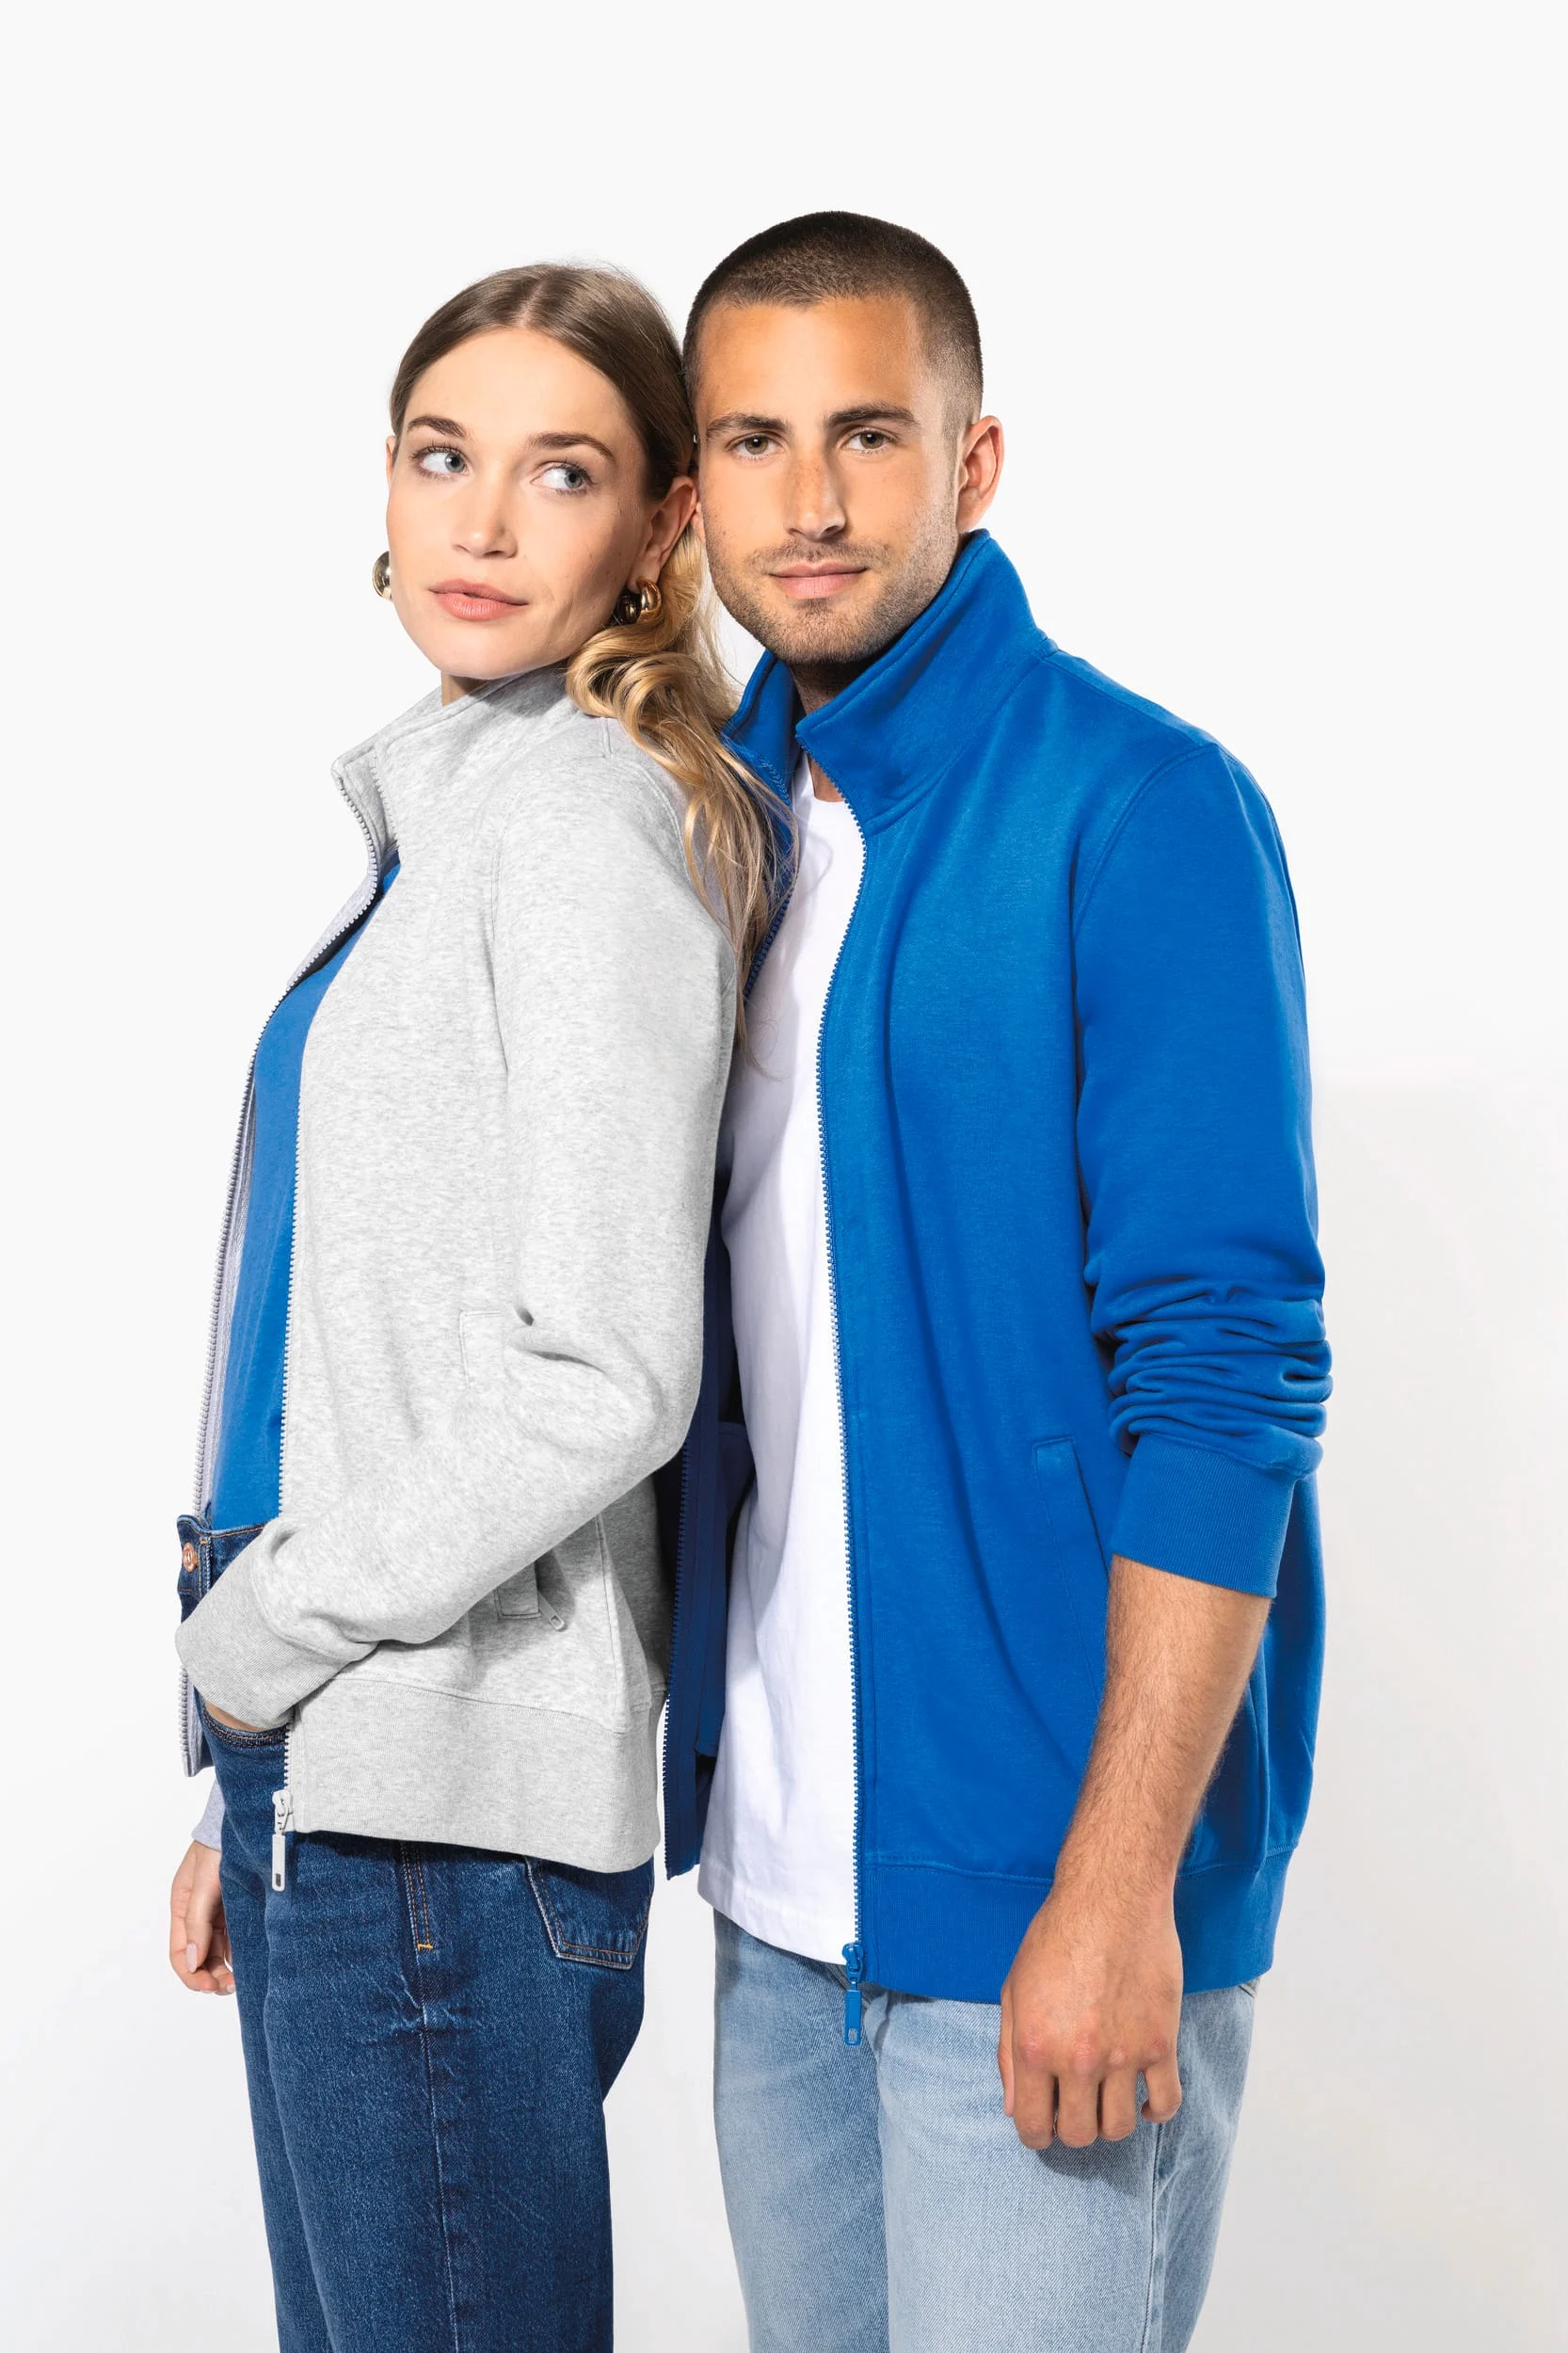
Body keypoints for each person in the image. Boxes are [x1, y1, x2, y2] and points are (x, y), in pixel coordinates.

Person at [662, 213, 1331, 2353]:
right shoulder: (712, 834)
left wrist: (1115, 1884)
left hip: (1048, 1902)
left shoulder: (1138, 809)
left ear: (974, 461)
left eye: (867, 433)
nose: (812, 498)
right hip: (778, 1904)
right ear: (693, 488)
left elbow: (1224, 1379)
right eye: (753, 441)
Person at [166, 264, 776, 2353]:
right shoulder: (459, 817)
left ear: (660, 524)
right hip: (350, 1775)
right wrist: (249, 1771)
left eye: (561, 472)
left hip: (440, 1796)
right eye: (445, 458)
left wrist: (265, 1640)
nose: (485, 522)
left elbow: (604, 1372)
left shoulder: (584, 824)